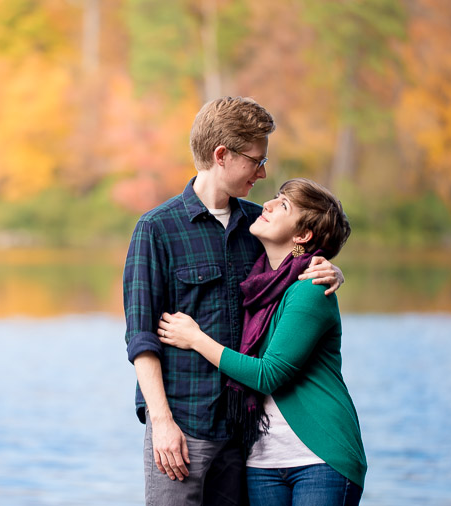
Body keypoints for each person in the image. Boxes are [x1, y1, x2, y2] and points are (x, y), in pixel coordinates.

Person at [123, 97, 344, 506]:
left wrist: (332, 270)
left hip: (244, 438)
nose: (263, 173)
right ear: (221, 155)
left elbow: (296, 263)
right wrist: (162, 422)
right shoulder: (156, 229)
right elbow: (141, 340)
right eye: (255, 161)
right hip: (182, 430)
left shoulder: (257, 224)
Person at [156, 178, 365, 505]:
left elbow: (269, 374)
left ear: (302, 236)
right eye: (275, 198)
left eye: (282, 205)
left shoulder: (309, 289)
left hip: (319, 458)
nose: (266, 205)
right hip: (263, 460)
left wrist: (196, 339)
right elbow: (301, 256)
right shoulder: (262, 279)